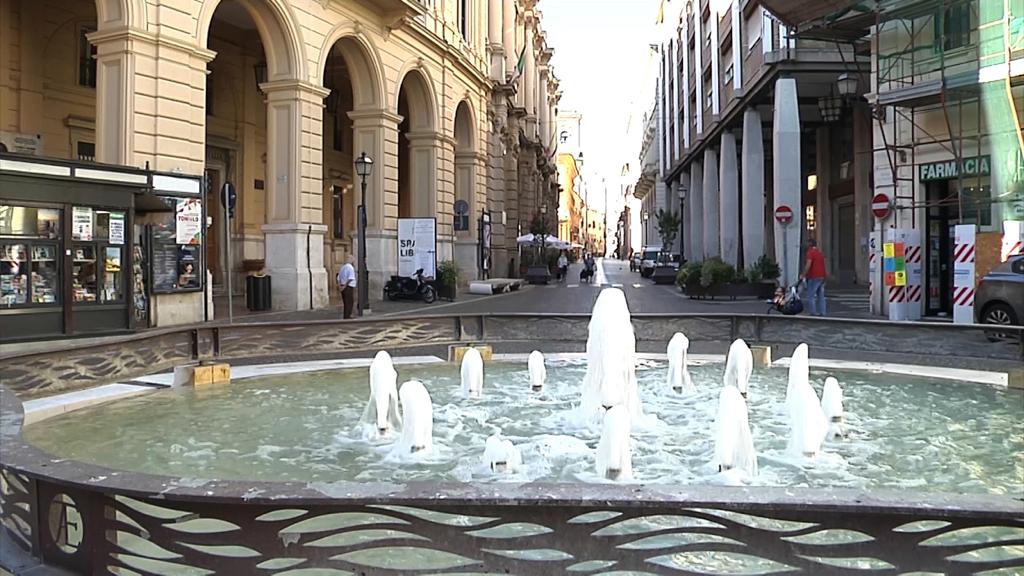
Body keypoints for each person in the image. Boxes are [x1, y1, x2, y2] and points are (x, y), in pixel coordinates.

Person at [801, 238, 827, 316]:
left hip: (813, 276)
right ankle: (823, 312)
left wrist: (803, 274)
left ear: (809, 245)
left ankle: (813, 312)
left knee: (811, 295)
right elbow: (823, 264)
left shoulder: (810, 253)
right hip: (822, 276)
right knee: (821, 295)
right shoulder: (820, 253)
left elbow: (808, 264)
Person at [338, 254, 357, 319]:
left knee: (345, 302)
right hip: (348, 286)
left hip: (342, 285)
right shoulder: (350, 267)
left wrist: (340, 286)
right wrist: (345, 286)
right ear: (351, 260)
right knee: (349, 302)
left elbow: (338, 277)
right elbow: (350, 278)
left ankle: (345, 315)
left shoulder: (342, 267)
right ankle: (348, 315)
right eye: (353, 259)